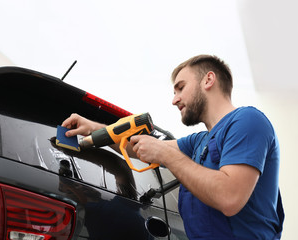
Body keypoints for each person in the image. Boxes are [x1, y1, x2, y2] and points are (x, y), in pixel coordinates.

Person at [62, 54, 284, 240]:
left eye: (180, 88)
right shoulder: (199, 141)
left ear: (208, 80)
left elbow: (229, 197)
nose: (174, 100)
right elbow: (136, 148)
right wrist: (93, 128)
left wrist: (166, 154)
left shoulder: (247, 121)